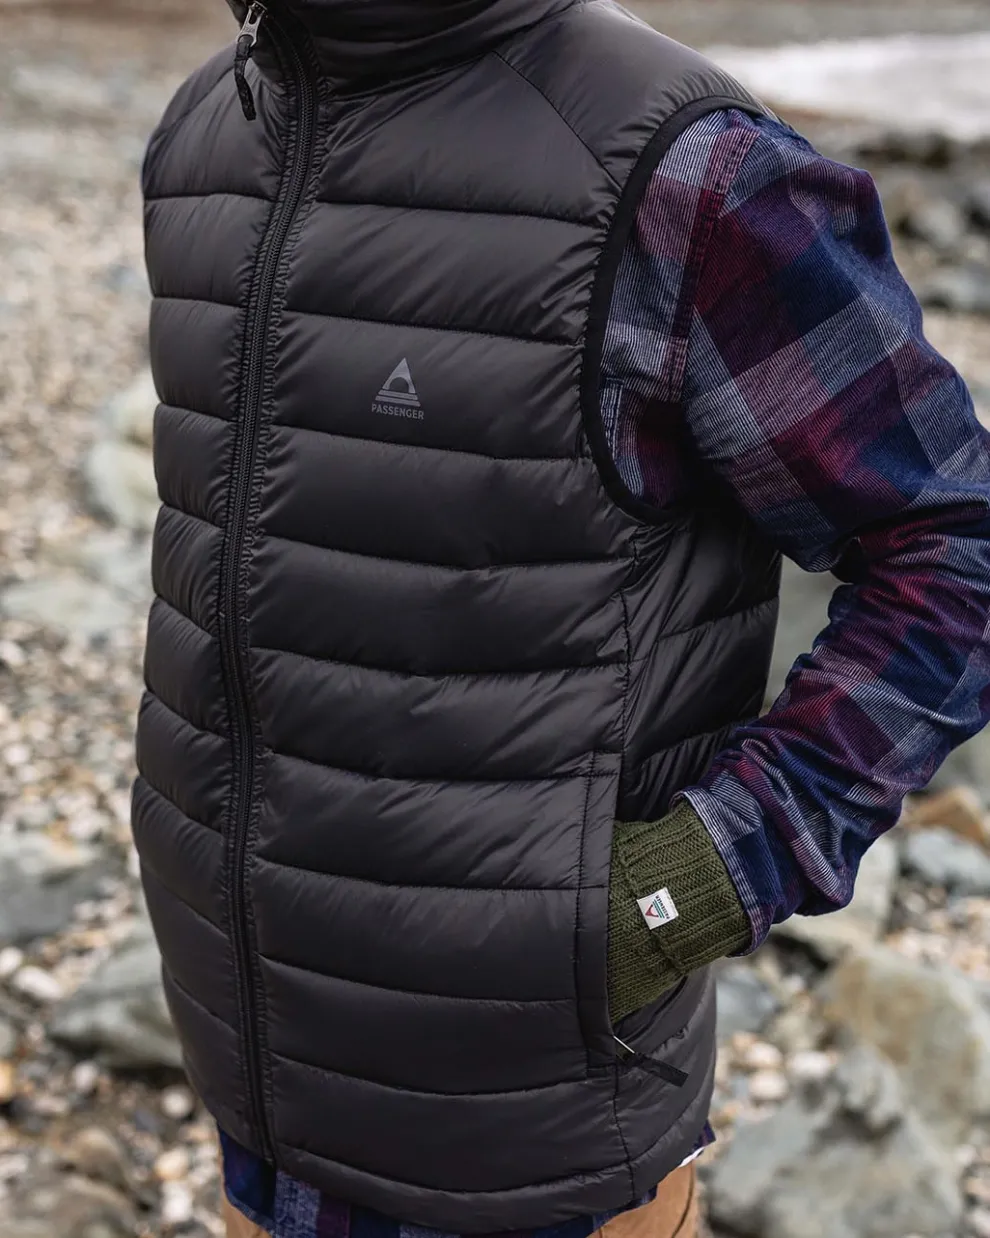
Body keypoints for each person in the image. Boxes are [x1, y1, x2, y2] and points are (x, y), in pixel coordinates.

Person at [133, 2, 990, 1237]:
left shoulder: (683, 172)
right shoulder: (205, 136)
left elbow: (953, 544)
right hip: (248, 1074)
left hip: (528, 1136)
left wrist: (703, 875)